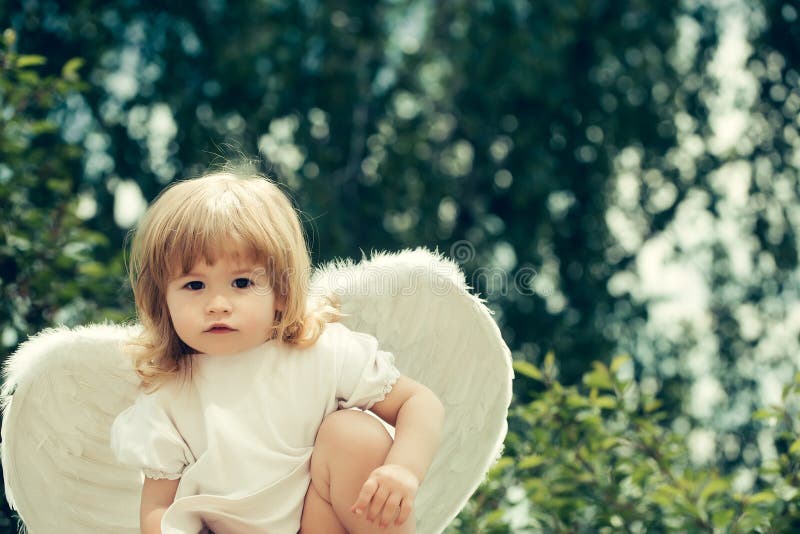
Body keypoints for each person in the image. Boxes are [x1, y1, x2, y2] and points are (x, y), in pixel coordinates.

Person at [110, 170, 445, 534]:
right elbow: (158, 506)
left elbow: (420, 402)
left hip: (321, 522)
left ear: (282, 290)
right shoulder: (169, 393)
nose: (217, 304)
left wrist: (403, 468)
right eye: (194, 284)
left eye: (242, 282)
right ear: (163, 300)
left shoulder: (321, 352)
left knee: (353, 434)